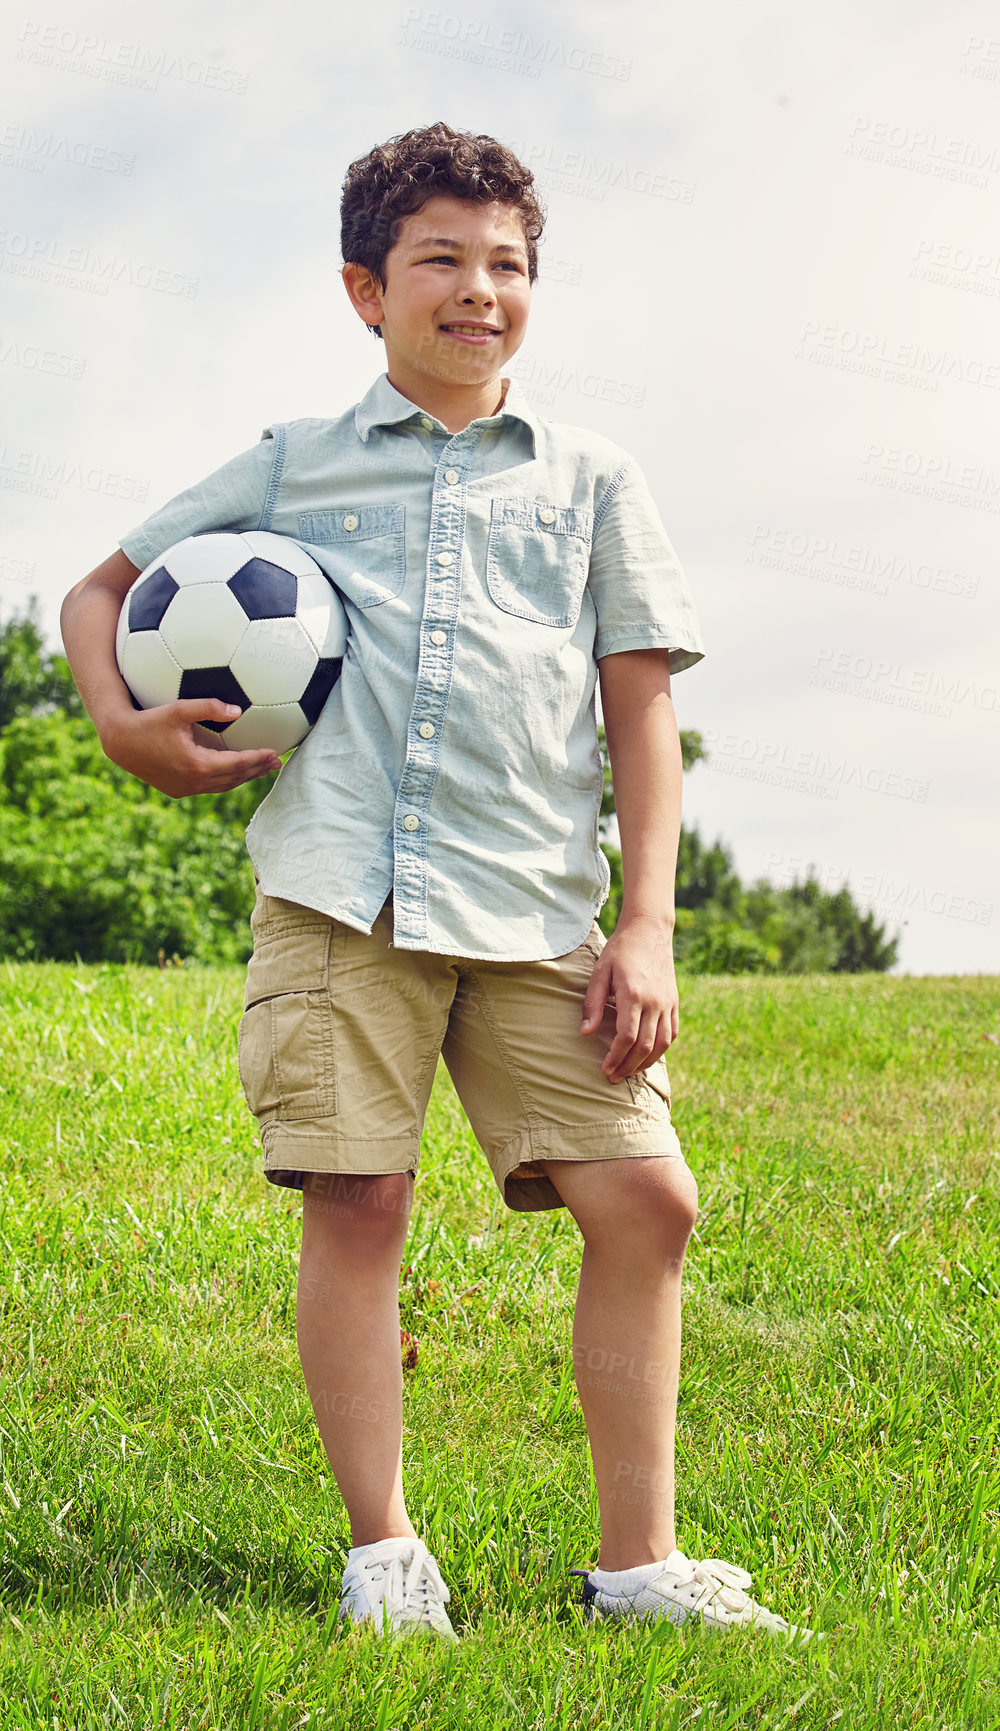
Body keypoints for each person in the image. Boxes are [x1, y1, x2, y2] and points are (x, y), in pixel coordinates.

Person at [60, 122, 814, 1646]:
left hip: (537, 904)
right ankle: (385, 1551)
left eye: (508, 267)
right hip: (344, 900)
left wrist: (648, 924)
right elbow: (103, 589)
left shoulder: (594, 479)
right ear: (365, 289)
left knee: (647, 1201)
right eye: (440, 264)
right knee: (358, 1197)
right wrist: (119, 722)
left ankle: (636, 1568)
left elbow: (639, 707)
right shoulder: (294, 463)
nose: (479, 292)